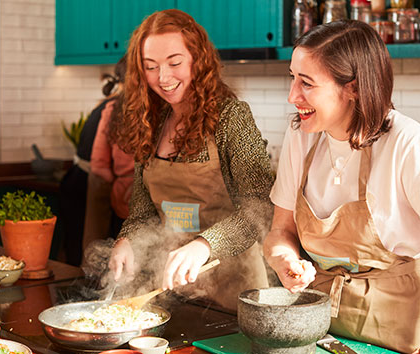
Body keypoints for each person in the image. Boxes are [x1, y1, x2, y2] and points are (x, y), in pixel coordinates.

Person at [264, 21, 420, 354]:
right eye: (292, 78)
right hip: (325, 328)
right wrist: (284, 260)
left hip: (405, 332)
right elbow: (280, 231)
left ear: (354, 88)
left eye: (306, 83)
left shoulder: (408, 143)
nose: (293, 96)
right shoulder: (300, 136)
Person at [108, 9, 273, 311]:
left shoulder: (231, 117)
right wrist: (127, 240)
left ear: (198, 60)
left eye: (175, 62)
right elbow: (143, 212)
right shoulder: (152, 123)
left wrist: (204, 245)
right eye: (150, 66)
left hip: (236, 290)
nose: (163, 77)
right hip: (173, 288)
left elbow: (260, 207)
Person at [59, 59, 128, 266]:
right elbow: (100, 168)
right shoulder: (116, 108)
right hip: (88, 185)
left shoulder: (109, 103)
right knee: (89, 258)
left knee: (80, 255)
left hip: (77, 181)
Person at [85, 57, 134, 251]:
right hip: (150, 206)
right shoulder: (113, 109)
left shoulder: (113, 109)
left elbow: (99, 165)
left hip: (123, 201)